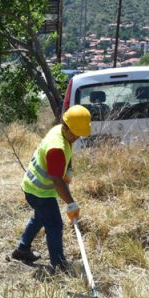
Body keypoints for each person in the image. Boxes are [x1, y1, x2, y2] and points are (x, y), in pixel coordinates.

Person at [10, 105, 91, 272]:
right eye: (76, 133)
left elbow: (66, 153)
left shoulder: (59, 130)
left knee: (40, 217)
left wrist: (68, 169)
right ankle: (59, 265)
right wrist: (71, 203)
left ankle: (22, 249)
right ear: (66, 125)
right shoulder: (56, 148)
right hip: (40, 191)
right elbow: (57, 181)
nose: (77, 137)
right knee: (54, 225)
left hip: (32, 186)